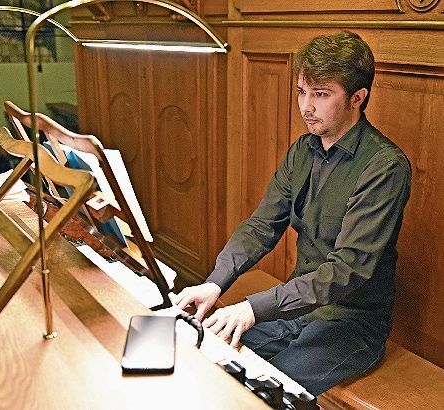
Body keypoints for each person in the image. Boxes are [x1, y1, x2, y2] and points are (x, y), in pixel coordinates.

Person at [172, 31, 411, 396]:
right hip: (299, 308)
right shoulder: (303, 150)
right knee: (210, 352)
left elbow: (346, 270)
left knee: (263, 389)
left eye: (320, 94)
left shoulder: (385, 167)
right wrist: (216, 282)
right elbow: (260, 226)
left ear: (358, 98)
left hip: (353, 323)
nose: (306, 107)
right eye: (302, 92)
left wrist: (254, 307)